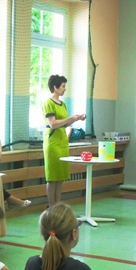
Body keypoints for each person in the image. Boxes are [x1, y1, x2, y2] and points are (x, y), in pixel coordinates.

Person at [42, 75, 86, 207]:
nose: (65, 89)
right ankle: (51, 206)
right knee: (52, 177)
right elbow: (53, 124)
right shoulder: (48, 103)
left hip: (62, 141)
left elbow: (65, 124)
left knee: (60, 176)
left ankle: (58, 205)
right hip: (52, 141)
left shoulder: (63, 104)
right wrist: (70, 118)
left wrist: (76, 119)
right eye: (63, 86)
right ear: (55, 87)